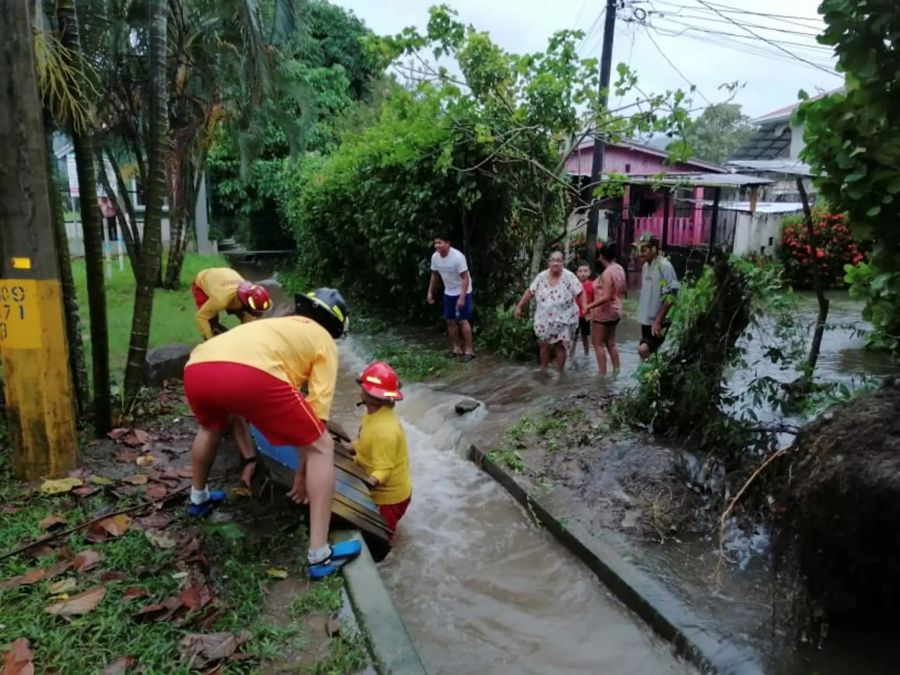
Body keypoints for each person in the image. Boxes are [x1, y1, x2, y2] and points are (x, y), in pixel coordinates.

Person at [182, 288, 361, 579]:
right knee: (323, 447)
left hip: (197, 366)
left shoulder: (273, 324)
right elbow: (317, 419)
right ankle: (319, 555)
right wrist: (303, 472)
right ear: (334, 326)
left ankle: (198, 498)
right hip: (253, 375)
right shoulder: (323, 340)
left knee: (210, 427)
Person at [352, 361, 412, 537]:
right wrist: (353, 447)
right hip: (389, 493)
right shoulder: (374, 413)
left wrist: (362, 483)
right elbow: (367, 444)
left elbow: (383, 472)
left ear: (371, 395)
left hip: (389, 499)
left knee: (381, 537)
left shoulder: (385, 430)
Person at [514, 251, 584, 372]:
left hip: (564, 318)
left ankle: (560, 372)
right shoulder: (542, 276)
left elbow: (581, 292)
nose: (555, 263)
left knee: (560, 346)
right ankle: (543, 370)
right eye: (553, 260)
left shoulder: (569, 277)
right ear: (549, 262)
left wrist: (586, 308)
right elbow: (530, 291)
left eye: (558, 260)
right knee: (544, 345)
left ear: (563, 263)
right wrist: (519, 306)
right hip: (544, 318)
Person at [426, 233, 475, 362]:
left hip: (463, 290)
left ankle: (469, 350)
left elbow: (465, 278)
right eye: (435, 243)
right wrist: (430, 292)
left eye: (440, 243)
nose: (437, 246)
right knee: (450, 320)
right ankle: (456, 348)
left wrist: (462, 297)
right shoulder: (435, 257)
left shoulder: (458, 257)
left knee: (462, 320)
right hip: (449, 291)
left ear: (448, 243)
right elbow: (435, 275)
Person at [192, 267, 272, 341]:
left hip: (226, 277)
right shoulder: (220, 300)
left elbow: (250, 320)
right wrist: (210, 339)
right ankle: (213, 337)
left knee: (248, 319)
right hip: (204, 279)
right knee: (211, 321)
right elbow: (201, 317)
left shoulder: (247, 293)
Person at [635, 233, 680, 361]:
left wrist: (658, 320)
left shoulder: (664, 266)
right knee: (652, 355)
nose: (640, 253)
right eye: (639, 250)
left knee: (644, 350)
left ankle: (649, 378)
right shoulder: (645, 266)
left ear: (654, 249)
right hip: (646, 320)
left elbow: (672, 295)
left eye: (644, 250)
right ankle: (649, 379)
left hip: (659, 320)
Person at [584, 241, 627, 376]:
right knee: (611, 343)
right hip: (616, 310)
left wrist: (589, 306)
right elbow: (623, 290)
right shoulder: (619, 268)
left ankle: (602, 375)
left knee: (598, 344)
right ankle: (616, 370)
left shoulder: (607, 273)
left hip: (604, 312)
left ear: (601, 256)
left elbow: (606, 297)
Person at [569, 261, 594, 358]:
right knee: (574, 337)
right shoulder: (574, 285)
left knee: (585, 336)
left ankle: (587, 354)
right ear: (576, 273)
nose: (583, 273)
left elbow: (593, 301)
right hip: (574, 315)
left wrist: (591, 312)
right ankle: (571, 355)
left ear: (589, 272)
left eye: (585, 271)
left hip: (585, 315)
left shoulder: (592, 285)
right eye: (580, 271)